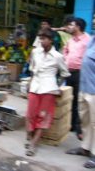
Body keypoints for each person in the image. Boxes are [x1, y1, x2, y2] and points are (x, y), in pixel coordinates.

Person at [26, 28, 70, 156]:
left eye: (44, 39)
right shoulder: (35, 52)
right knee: (30, 114)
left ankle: (33, 143)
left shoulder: (58, 56)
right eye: (40, 38)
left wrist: (57, 87)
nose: (41, 41)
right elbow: (32, 69)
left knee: (43, 116)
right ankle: (29, 136)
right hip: (35, 86)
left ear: (51, 40)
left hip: (48, 89)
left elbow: (64, 74)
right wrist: (30, 82)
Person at [66, 36, 95, 169]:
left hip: (94, 90)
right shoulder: (92, 40)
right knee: (85, 120)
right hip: (84, 88)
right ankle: (85, 148)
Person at [63, 17, 90, 141]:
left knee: (80, 101)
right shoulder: (70, 40)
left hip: (81, 73)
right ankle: (71, 125)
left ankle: (79, 127)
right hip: (69, 73)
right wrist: (66, 59)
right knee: (70, 99)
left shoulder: (88, 40)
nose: (69, 27)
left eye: (71, 25)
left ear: (78, 26)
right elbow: (65, 51)